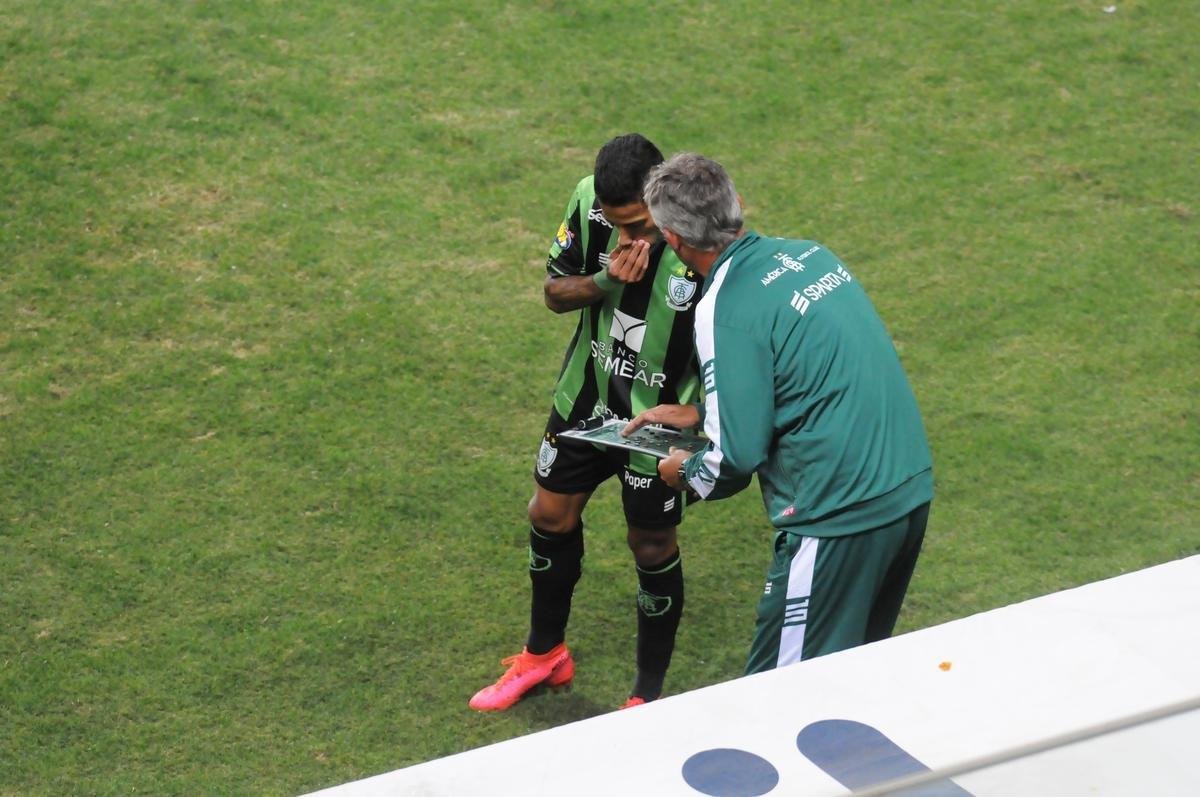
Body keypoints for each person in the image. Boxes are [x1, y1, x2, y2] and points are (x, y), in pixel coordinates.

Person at [623, 153, 934, 674]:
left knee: (778, 697)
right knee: (849, 680)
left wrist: (680, 473)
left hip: (838, 515)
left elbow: (734, 459)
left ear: (674, 240)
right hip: (906, 492)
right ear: (737, 205)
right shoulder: (814, 257)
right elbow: (806, 380)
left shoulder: (722, 304)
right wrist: (702, 411)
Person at [469, 135, 703, 711]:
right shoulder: (587, 203)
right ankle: (544, 655)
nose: (625, 238)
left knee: (650, 544)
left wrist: (703, 417)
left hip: (660, 418)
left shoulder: (703, 236)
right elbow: (554, 293)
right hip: (587, 398)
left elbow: (740, 341)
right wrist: (605, 281)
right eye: (615, 223)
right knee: (548, 512)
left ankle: (645, 697)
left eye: (640, 225)